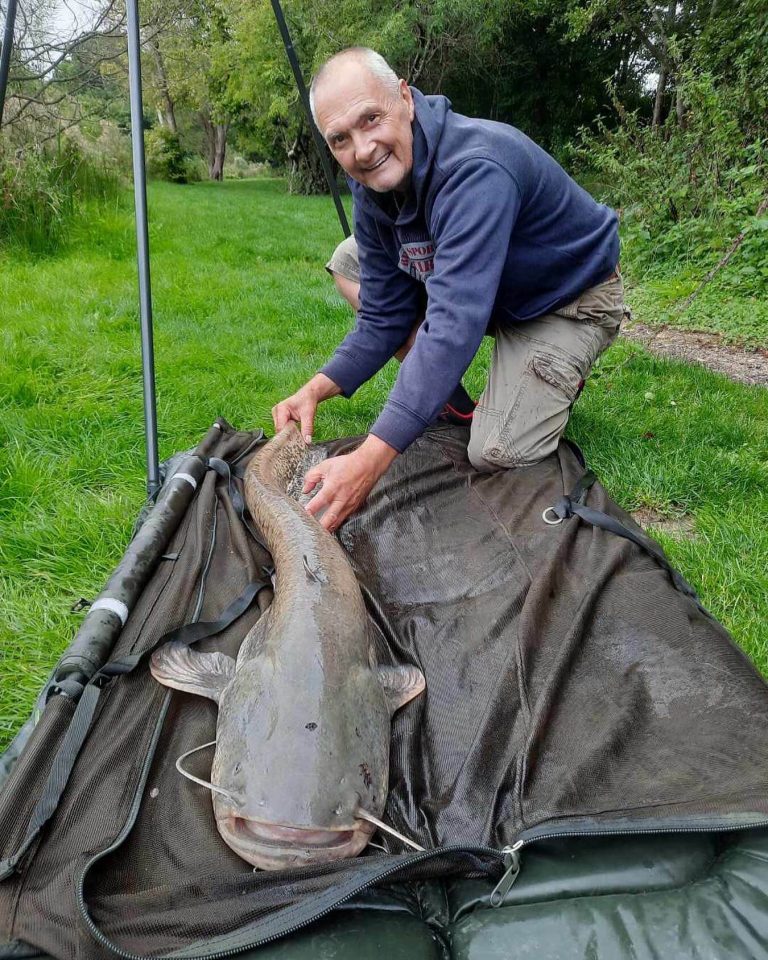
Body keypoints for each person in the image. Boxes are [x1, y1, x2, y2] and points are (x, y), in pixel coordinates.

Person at [273, 47, 627, 533]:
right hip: (492, 285)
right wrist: (316, 387)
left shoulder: (475, 168)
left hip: (566, 300)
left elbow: (454, 323)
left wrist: (369, 460)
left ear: (405, 98)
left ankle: (556, 374)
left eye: (371, 118)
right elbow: (382, 315)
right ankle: (450, 398)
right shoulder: (371, 186)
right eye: (340, 139)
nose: (362, 149)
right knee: (348, 259)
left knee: (495, 452)